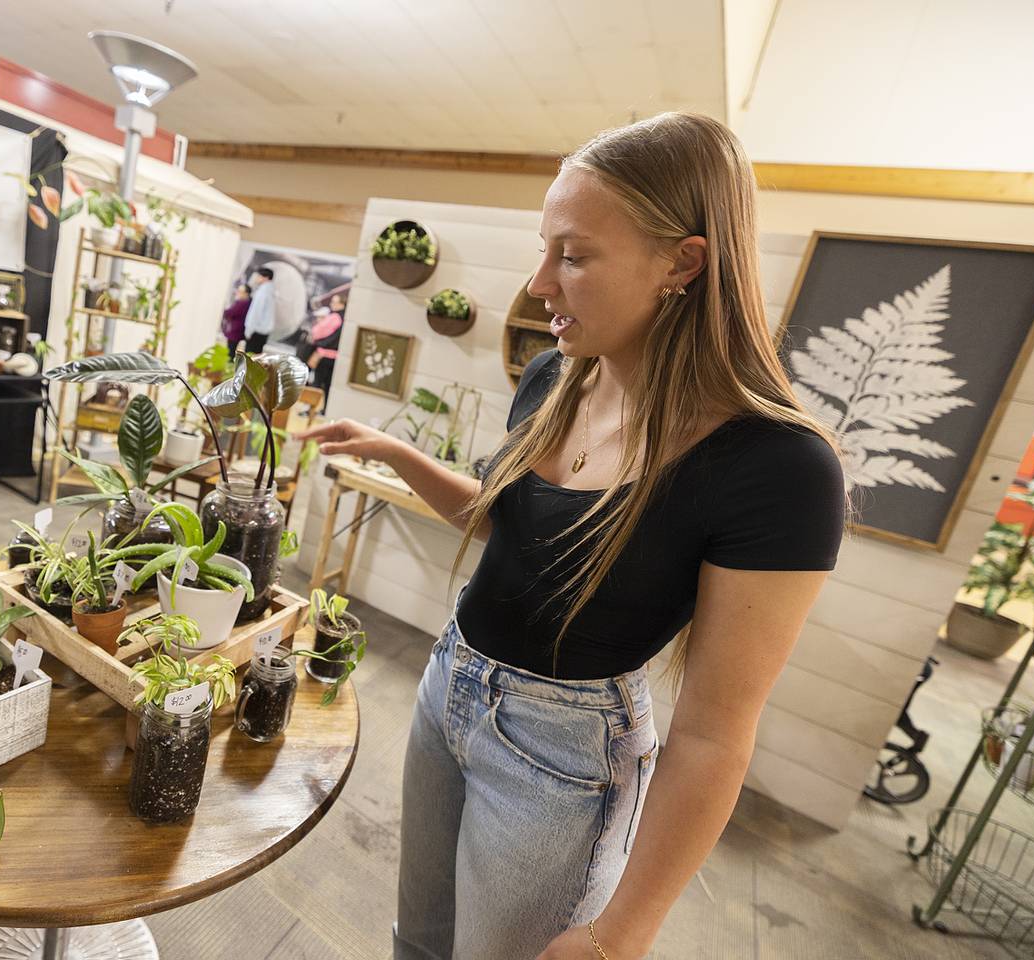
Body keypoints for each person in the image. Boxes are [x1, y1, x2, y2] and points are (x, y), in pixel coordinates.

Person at [297, 112, 847, 960]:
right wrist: (394, 452)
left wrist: (621, 933)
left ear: (683, 264)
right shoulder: (556, 378)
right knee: (418, 942)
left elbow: (712, 734)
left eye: (574, 255)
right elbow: (503, 524)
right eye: (545, 248)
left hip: (566, 755)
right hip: (451, 684)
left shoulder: (777, 466)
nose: (540, 284)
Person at [307, 292, 345, 397]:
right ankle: (324, 409)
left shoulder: (334, 317)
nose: (331, 304)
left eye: (334, 302)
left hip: (324, 354)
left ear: (342, 304)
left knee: (317, 382)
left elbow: (318, 332)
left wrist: (317, 342)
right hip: (335, 356)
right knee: (328, 384)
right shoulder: (345, 318)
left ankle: (309, 407)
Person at [242, 266, 276, 354]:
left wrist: (248, 331)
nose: (257, 278)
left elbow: (256, 312)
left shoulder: (263, 292)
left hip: (256, 332)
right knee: (255, 359)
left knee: (249, 359)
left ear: (266, 277)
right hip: (262, 333)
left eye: (259, 276)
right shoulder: (270, 291)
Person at [220, 282, 251, 353]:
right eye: (238, 290)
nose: (237, 293)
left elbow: (230, 313)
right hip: (237, 330)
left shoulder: (242, 303)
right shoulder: (246, 302)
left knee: (230, 351)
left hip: (235, 331)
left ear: (246, 293)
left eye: (240, 291)